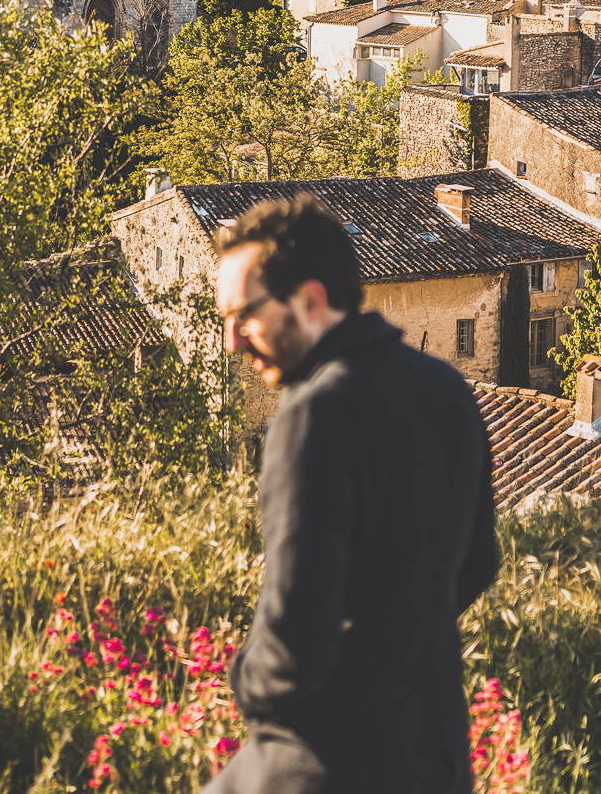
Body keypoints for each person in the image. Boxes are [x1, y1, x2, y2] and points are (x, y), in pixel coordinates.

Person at [204, 195, 497, 794]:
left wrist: (246, 684)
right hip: (437, 752)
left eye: (245, 315)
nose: (232, 340)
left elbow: (297, 640)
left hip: (332, 760)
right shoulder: (448, 389)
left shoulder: (313, 415)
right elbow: (477, 564)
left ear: (310, 302)